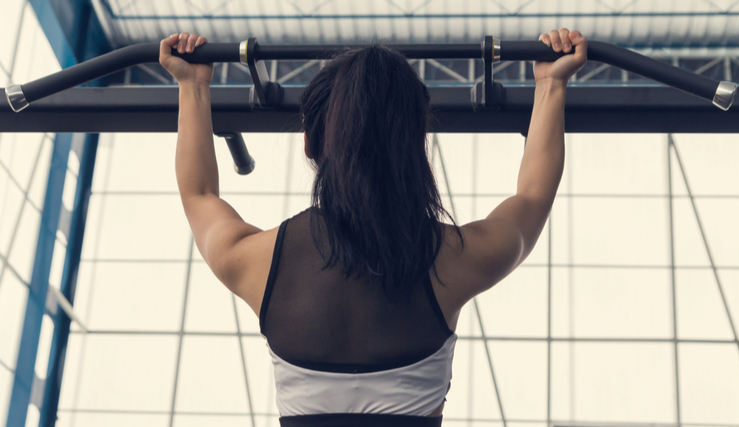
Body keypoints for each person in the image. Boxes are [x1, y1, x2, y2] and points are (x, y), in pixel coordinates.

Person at [160, 28, 587, 427]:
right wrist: (551, 85)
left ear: (309, 144)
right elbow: (532, 196)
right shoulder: (452, 260)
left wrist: (192, 87)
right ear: (416, 143)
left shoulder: (255, 261)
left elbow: (199, 195)